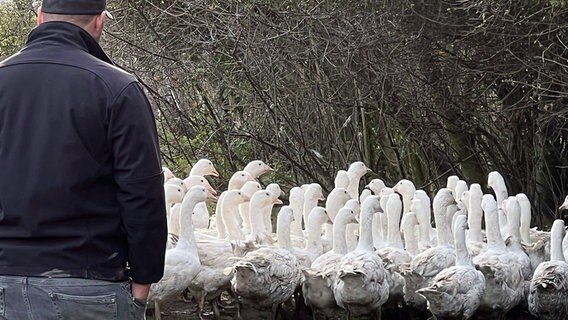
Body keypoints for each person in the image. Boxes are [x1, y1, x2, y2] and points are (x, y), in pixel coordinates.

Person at [0, 0, 167, 319]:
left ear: (39, 18)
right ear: (99, 22)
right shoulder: (117, 88)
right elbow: (142, 194)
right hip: (86, 287)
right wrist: (144, 280)